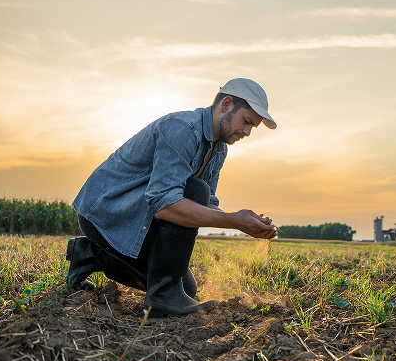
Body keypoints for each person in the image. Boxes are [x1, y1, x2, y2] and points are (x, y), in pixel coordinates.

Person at [65, 78, 277, 318]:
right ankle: (161, 297)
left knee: (185, 288)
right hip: (107, 212)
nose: (247, 132)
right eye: (247, 121)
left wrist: (245, 221)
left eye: (253, 127)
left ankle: (90, 254)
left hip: (139, 217)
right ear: (226, 104)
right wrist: (232, 221)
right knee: (195, 190)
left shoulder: (218, 149)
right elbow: (165, 205)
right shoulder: (182, 129)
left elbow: (206, 204)